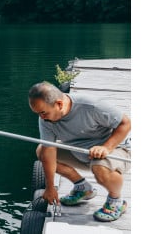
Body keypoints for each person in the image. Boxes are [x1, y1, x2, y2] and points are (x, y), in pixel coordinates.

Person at [28, 81, 131, 222]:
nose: (41, 117)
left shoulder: (91, 106)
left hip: (117, 149)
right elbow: (48, 151)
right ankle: (83, 188)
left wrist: (106, 147)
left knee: (100, 166)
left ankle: (116, 201)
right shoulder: (45, 119)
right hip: (81, 151)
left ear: (59, 104)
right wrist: (50, 187)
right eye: (38, 113)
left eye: (43, 112)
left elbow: (125, 123)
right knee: (42, 151)